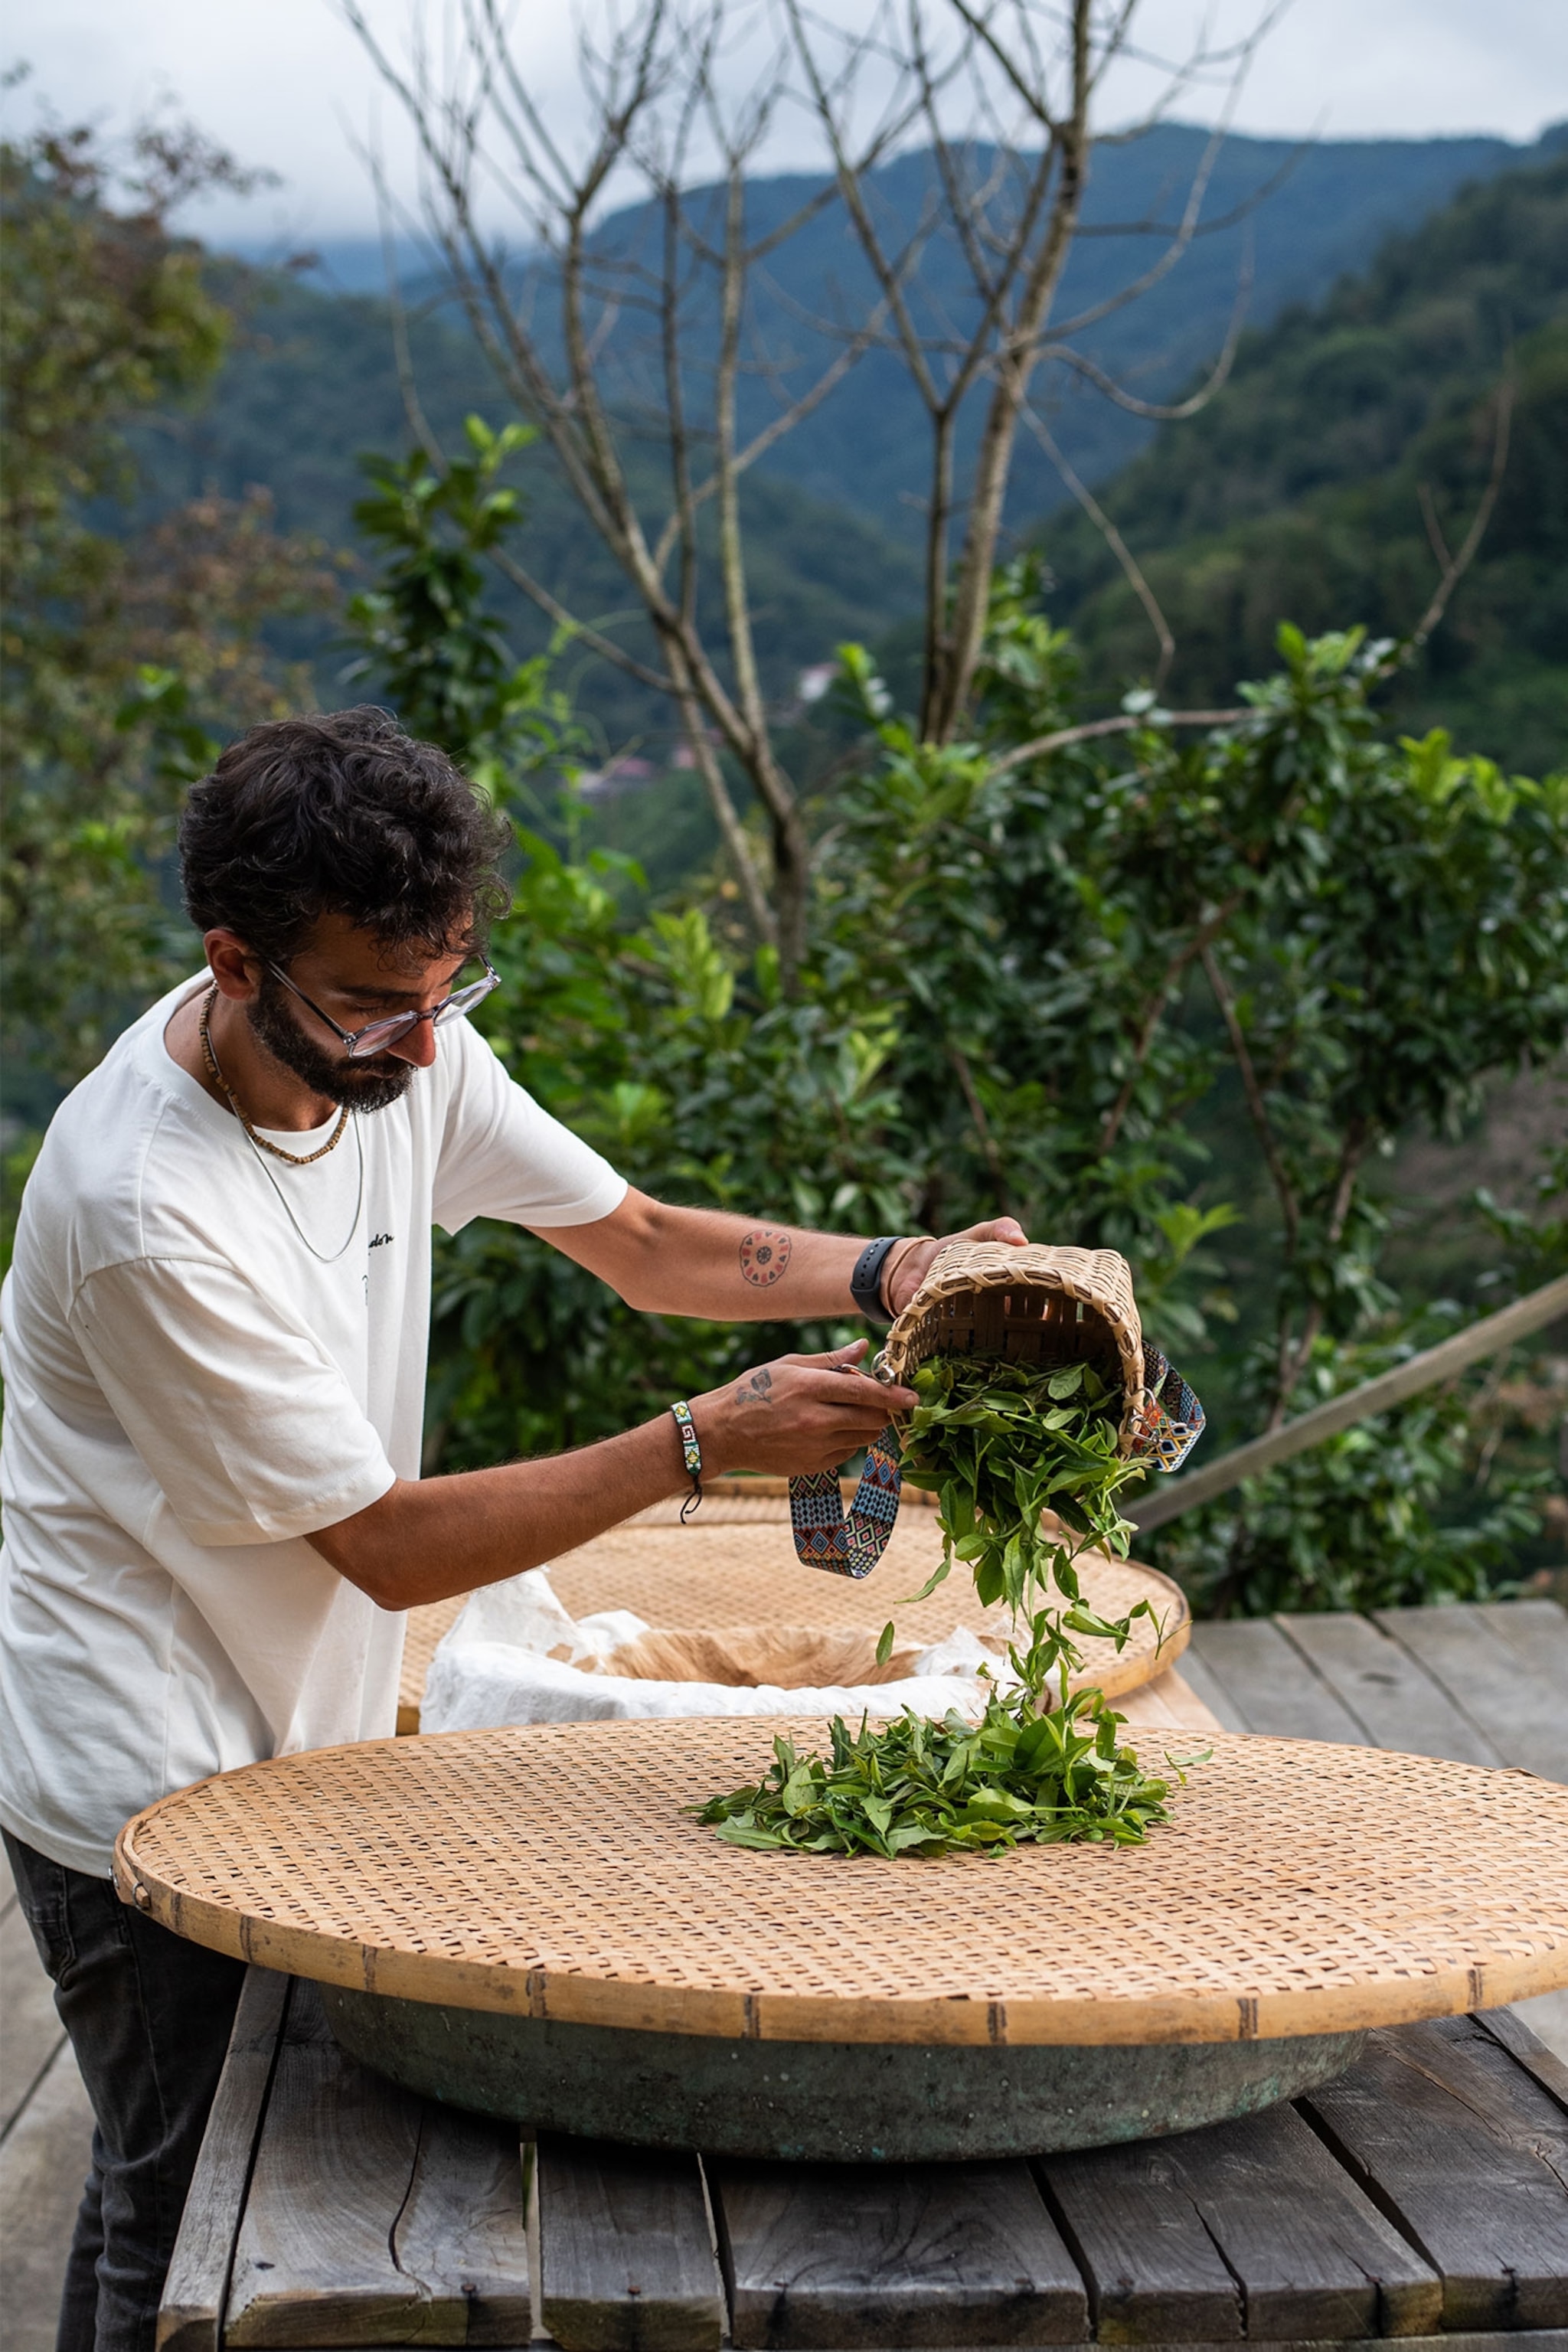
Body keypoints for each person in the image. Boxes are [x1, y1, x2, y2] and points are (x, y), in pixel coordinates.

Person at [0, 706, 1026, 2352]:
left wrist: (892, 1271)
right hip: (141, 1766)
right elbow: (390, 1551)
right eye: (373, 1008)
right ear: (235, 960)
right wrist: (701, 1443)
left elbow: (635, 1240)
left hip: (294, 1735)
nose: (419, 1051)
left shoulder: (397, 1032)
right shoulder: (146, 1210)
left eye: (444, 994)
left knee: (225, 2194)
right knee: (176, 2205)